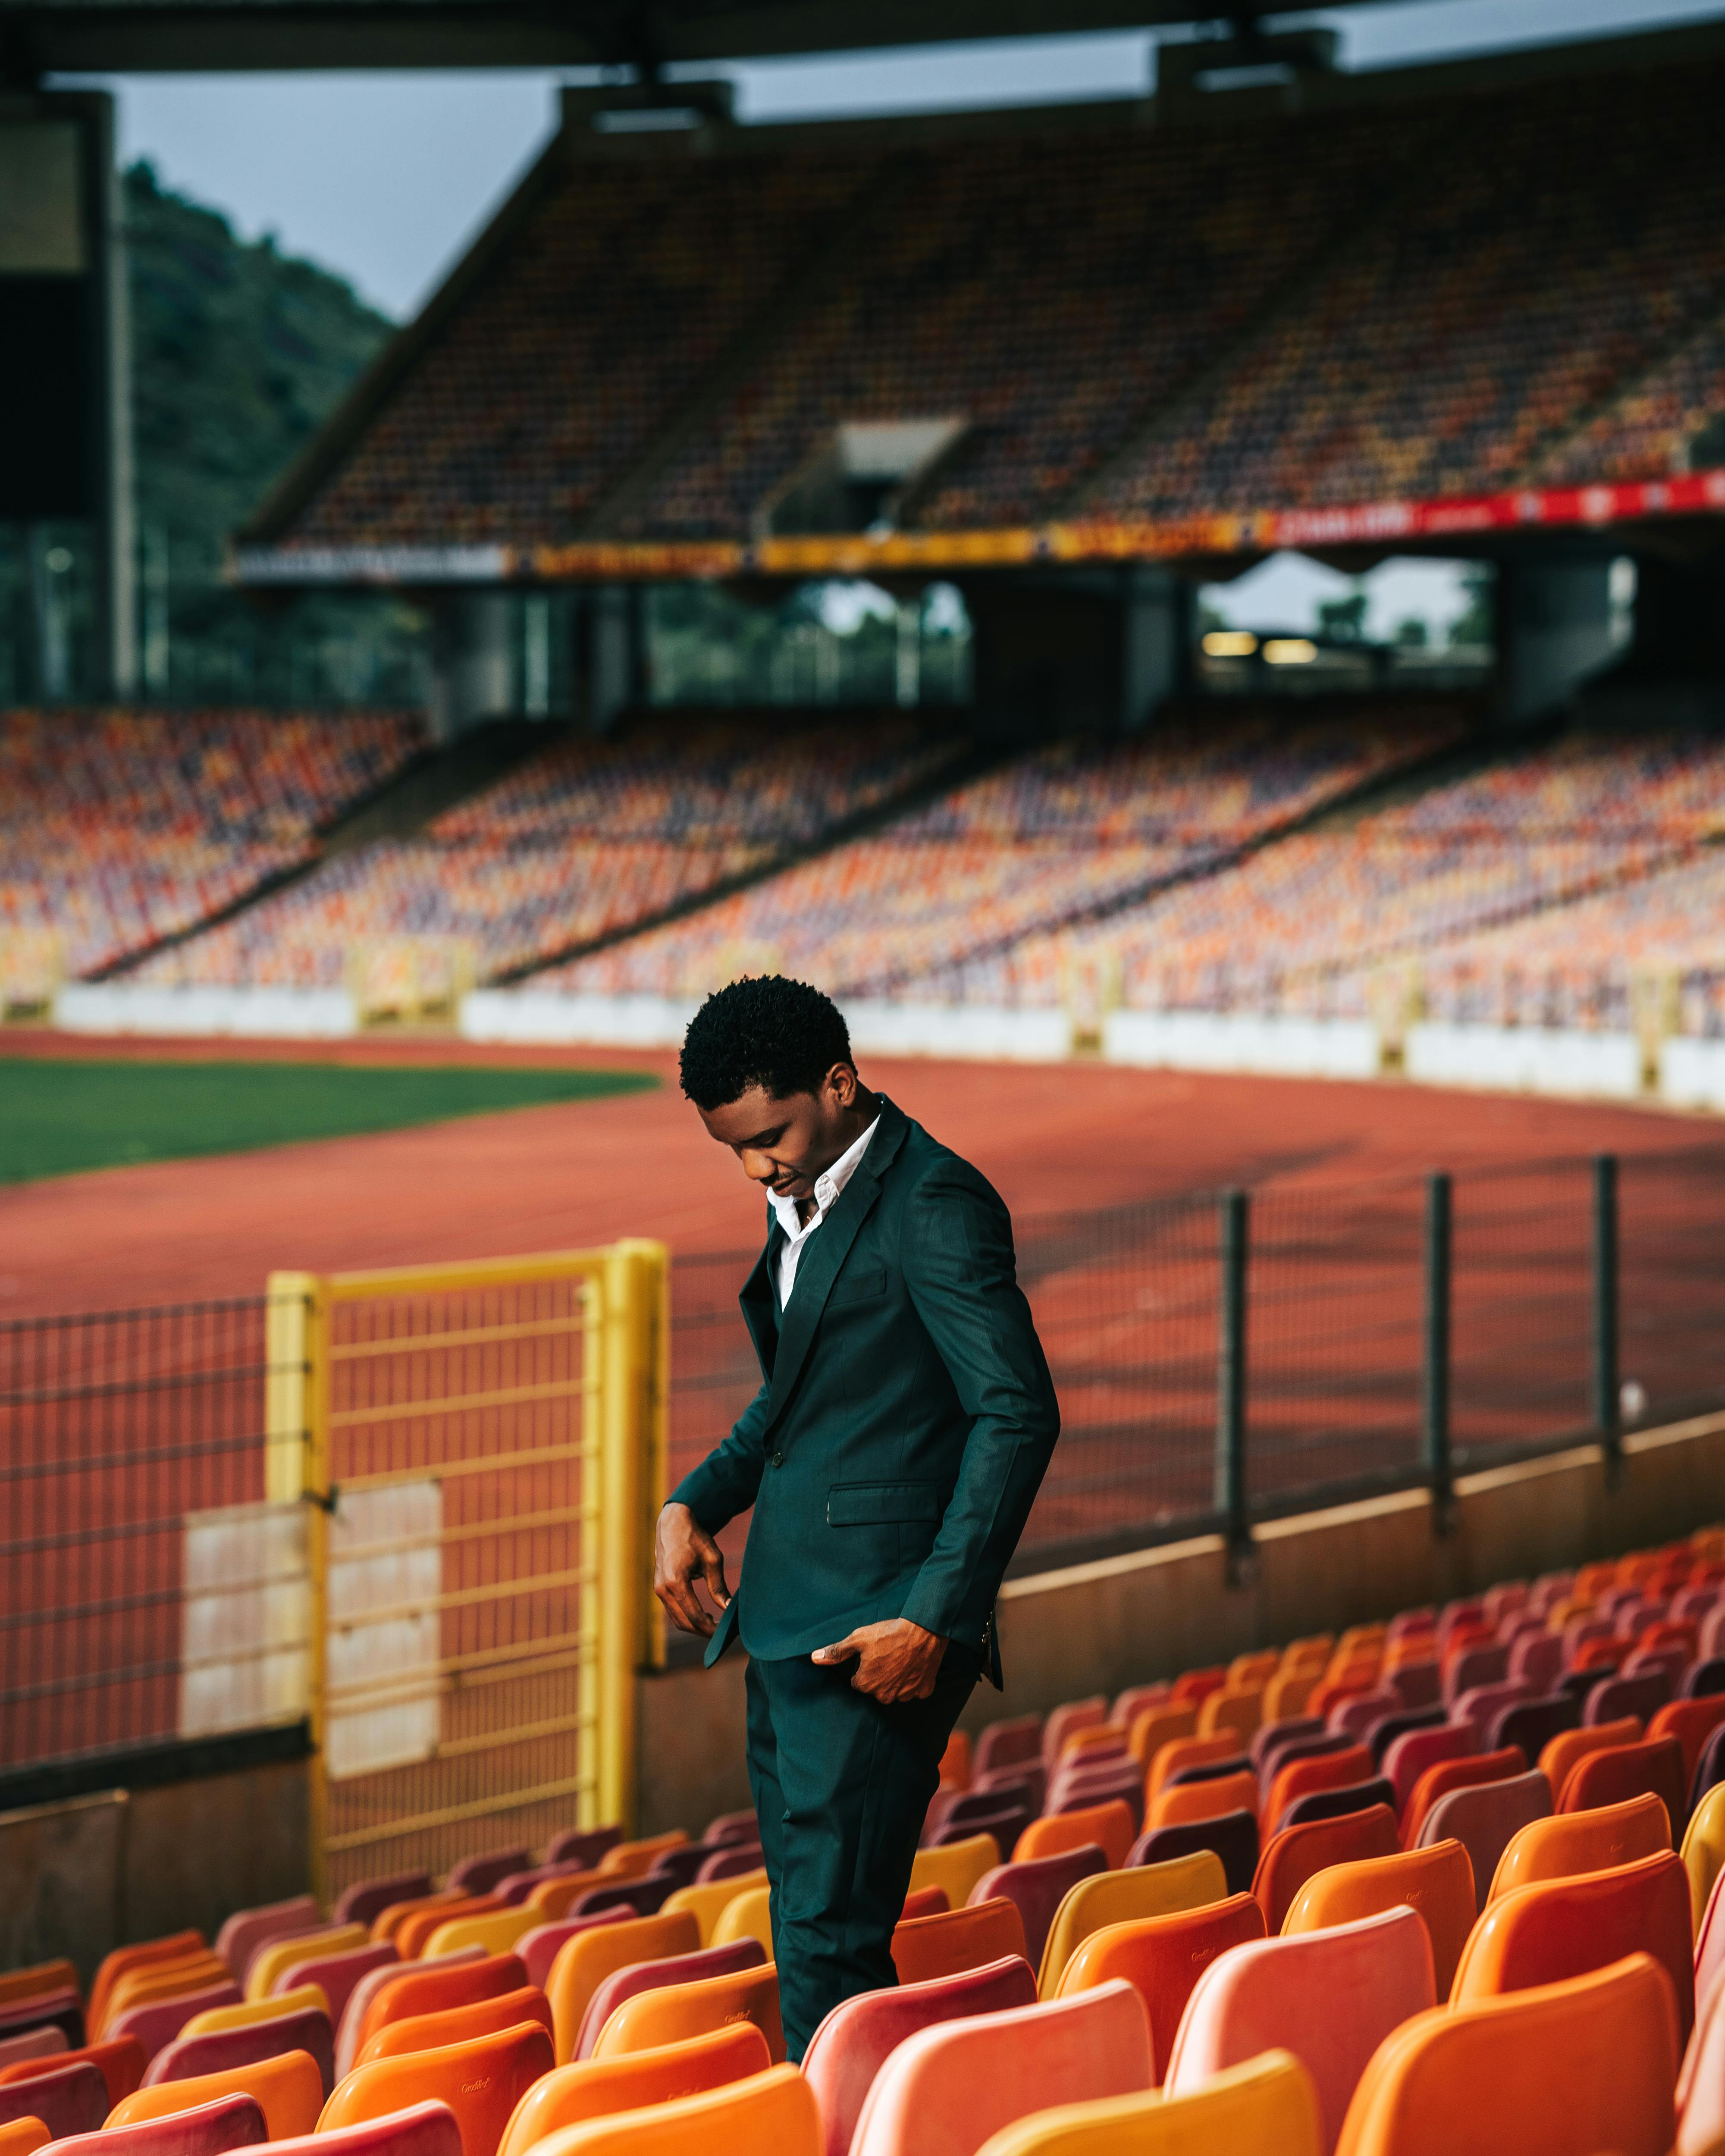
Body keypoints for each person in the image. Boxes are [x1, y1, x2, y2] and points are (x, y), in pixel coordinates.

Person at [654, 975, 1060, 2060]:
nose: (756, 1168)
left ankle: (844, 2123)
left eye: (769, 1137)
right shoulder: (802, 1192)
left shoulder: (933, 1201)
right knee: (809, 1928)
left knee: (827, 1943)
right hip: (784, 1622)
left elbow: (1016, 1413)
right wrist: (694, 1499)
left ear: (838, 1083)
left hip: (875, 1635)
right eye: (734, 1149)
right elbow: (802, 1400)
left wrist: (935, 1617)